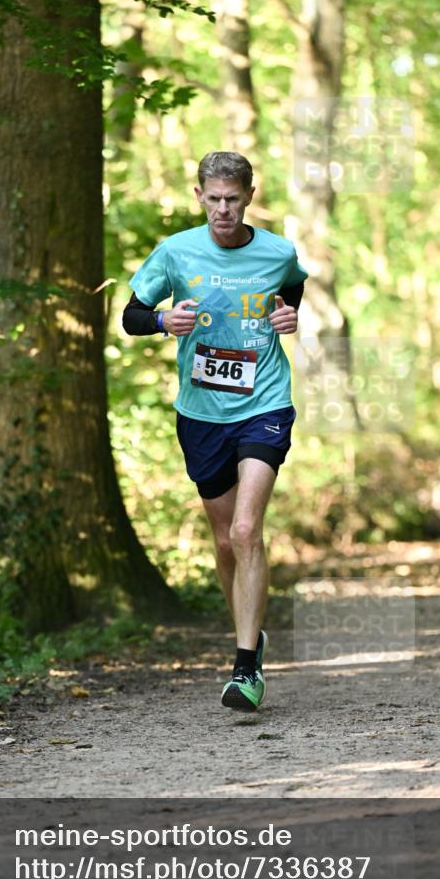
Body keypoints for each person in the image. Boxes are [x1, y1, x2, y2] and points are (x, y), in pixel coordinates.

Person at [122, 151, 308, 712]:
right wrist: (161, 320)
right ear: (199, 195)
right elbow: (132, 315)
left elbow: (293, 287)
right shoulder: (176, 252)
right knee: (226, 540)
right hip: (201, 412)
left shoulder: (278, 250)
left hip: (264, 401)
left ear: (249, 195)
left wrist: (286, 315)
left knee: (248, 530)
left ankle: (246, 667)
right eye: (214, 198)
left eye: (233, 198)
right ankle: (251, 633)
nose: (224, 209)